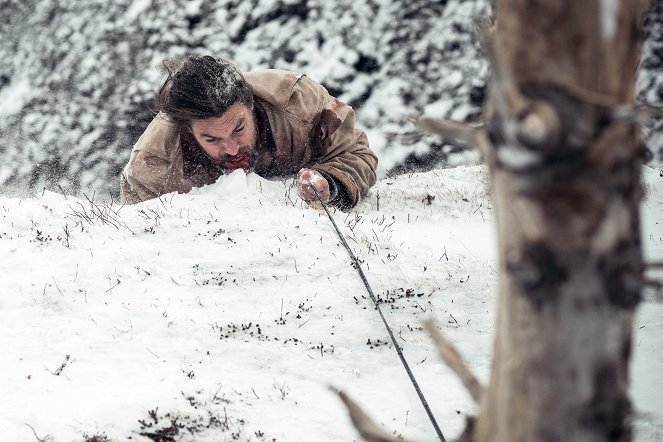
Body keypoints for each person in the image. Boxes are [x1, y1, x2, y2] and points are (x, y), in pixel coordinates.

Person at [120, 55, 377, 208]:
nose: (232, 149)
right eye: (212, 139)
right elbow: (141, 236)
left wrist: (331, 184)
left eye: (239, 128)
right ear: (187, 130)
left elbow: (356, 152)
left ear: (251, 102)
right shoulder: (152, 165)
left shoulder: (299, 102)